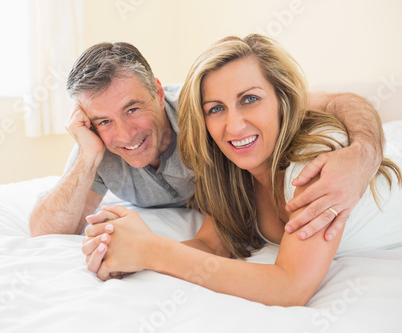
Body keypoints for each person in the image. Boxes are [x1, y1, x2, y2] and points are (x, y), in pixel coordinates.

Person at [82, 35, 402, 306]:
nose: (234, 126)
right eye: (216, 109)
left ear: (282, 99)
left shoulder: (312, 160)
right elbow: (210, 245)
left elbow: (291, 287)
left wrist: (153, 251)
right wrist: (127, 252)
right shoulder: (231, 168)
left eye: (249, 99)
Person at [29, 41, 383, 241]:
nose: (123, 134)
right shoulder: (98, 145)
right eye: (103, 120)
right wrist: (88, 156)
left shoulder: (206, 107)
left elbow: (336, 101)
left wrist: (364, 152)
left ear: (155, 89)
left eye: (133, 109)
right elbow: (47, 231)